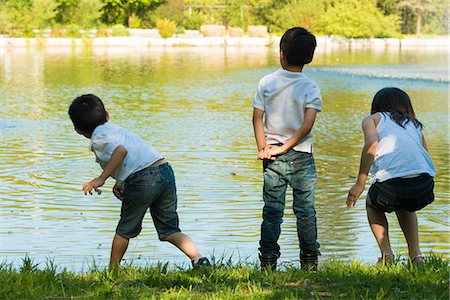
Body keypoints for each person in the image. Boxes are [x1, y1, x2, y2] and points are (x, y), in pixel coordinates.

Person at [68, 94, 210, 269]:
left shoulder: (98, 139)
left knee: (124, 230)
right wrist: (120, 183)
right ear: (107, 115)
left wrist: (101, 178)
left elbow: (120, 152)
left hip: (143, 179)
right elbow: (133, 158)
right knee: (169, 230)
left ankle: (112, 272)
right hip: (164, 170)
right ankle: (199, 260)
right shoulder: (115, 130)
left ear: (77, 129)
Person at [252, 27, 322, 270]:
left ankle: (268, 262)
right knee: (305, 211)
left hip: (272, 155)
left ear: (281, 53)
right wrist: (285, 147)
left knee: (272, 211)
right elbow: (307, 125)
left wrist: (265, 148)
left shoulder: (267, 82)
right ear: (309, 57)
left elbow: (257, 118)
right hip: (301, 155)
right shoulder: (311, 86)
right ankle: (310, 261)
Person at [346, 87, 435, 265]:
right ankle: (416, 256)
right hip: (424, 183)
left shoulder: (373, 119)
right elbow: (424, 154)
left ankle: (387, 255)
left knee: (372, 204)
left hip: (393, 184)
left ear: (377, 105)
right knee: (405, 205)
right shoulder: (415, 124)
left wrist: (360, 183)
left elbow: (372, 145)